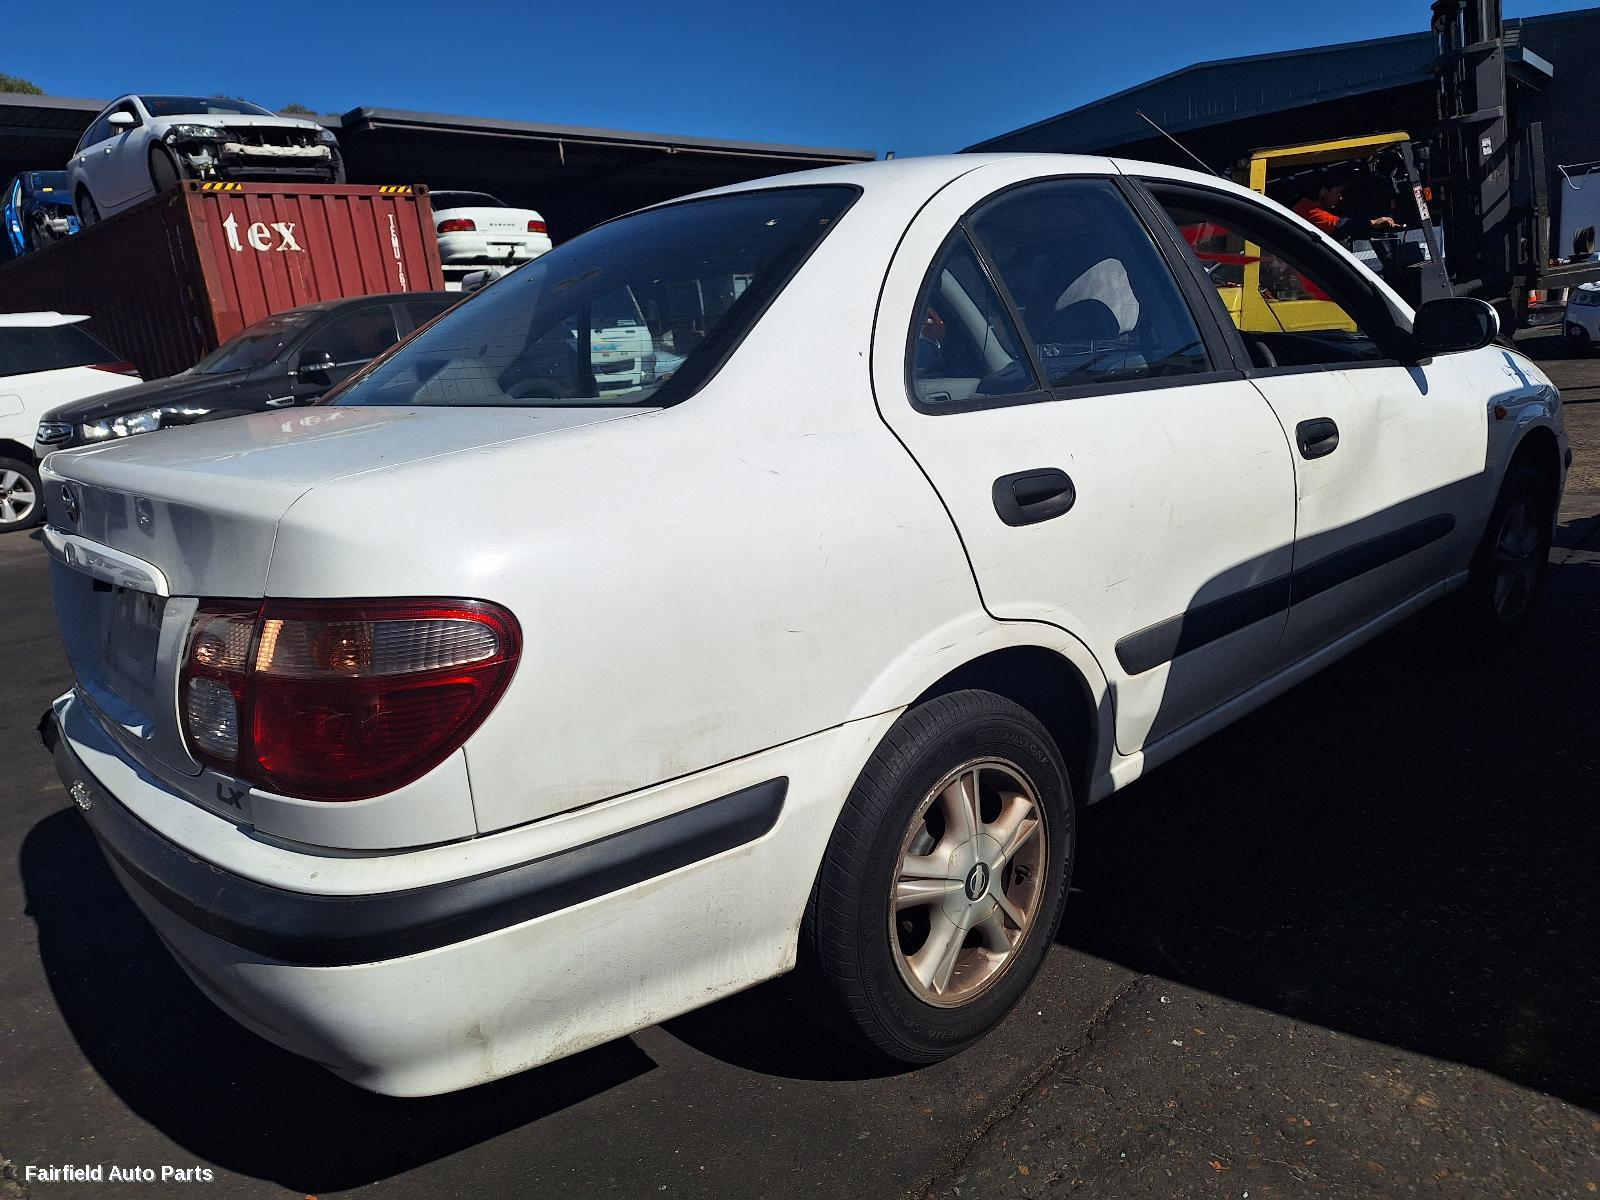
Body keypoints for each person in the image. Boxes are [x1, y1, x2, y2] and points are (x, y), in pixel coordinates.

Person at [1292, 170, 1399, 242]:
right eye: (1338, 192)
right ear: (1324, 191)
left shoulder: (1307, 205)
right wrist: (1374, 222)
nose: (1341, 198)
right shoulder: (1308, 209)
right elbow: (1342, 227)